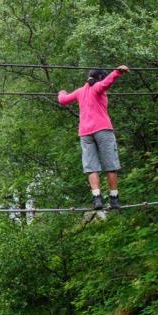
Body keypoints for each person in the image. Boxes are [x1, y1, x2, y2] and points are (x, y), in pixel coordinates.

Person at [57, 64, 129, 209]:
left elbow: (63, 100)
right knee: (110, 165)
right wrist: (117, 72)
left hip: (85, 133)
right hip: (102, 129)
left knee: (91, 167)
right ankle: (114, 198)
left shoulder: (79, 91)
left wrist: (61, 93)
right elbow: (106, 83)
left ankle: (97, 198)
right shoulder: (97, 88)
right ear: (100, 78)